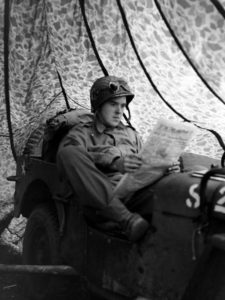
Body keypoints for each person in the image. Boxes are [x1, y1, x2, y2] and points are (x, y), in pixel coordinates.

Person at [56, 75, 179, 242]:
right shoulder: (81, 133)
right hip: (102, 205)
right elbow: (69, 158)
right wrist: (114, 161)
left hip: (136, 197)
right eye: (113, 104)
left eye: (122, 106)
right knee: (68, 153)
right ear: (98, 106)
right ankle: (126, 220)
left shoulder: (132, 135)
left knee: (188, 179)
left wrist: (166, 168)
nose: (119, 111)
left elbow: (145, 167)